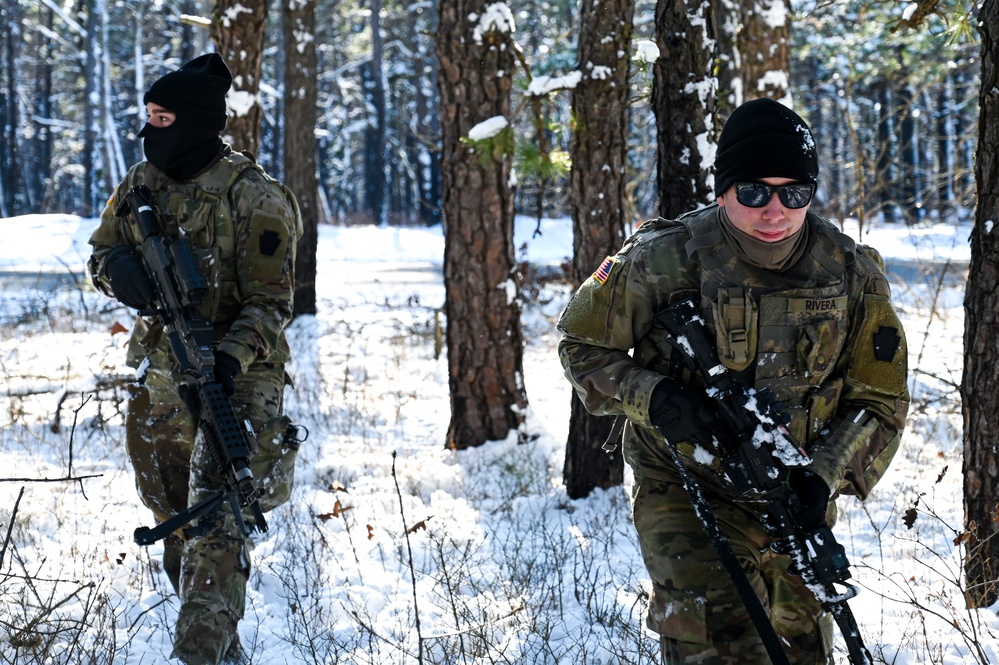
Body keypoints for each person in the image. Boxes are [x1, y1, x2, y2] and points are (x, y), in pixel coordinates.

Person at [557, 98, 909, 664]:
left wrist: (824, 475)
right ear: (724, 190)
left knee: (799, 640)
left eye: (793, 192)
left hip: (794, 490)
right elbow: (582, 344)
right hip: (685, 480)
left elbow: (880, 397)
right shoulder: (661, 259)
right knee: (720, 643)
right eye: (753, 192)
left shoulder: (850, 272)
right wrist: (658, 399)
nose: (774, 210)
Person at [88, 52, 302, 665]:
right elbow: (100, 254)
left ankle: (199, 653)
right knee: (174, 513)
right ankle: (218, 644)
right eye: (148, 118)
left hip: (238, 374)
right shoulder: (140, 184)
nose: (151, 130)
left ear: (198, 122)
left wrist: (228, 363)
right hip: (162, 370)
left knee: (221, 514)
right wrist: (121, 274)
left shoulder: (256, 196)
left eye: (163, 118)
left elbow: (271, 303)